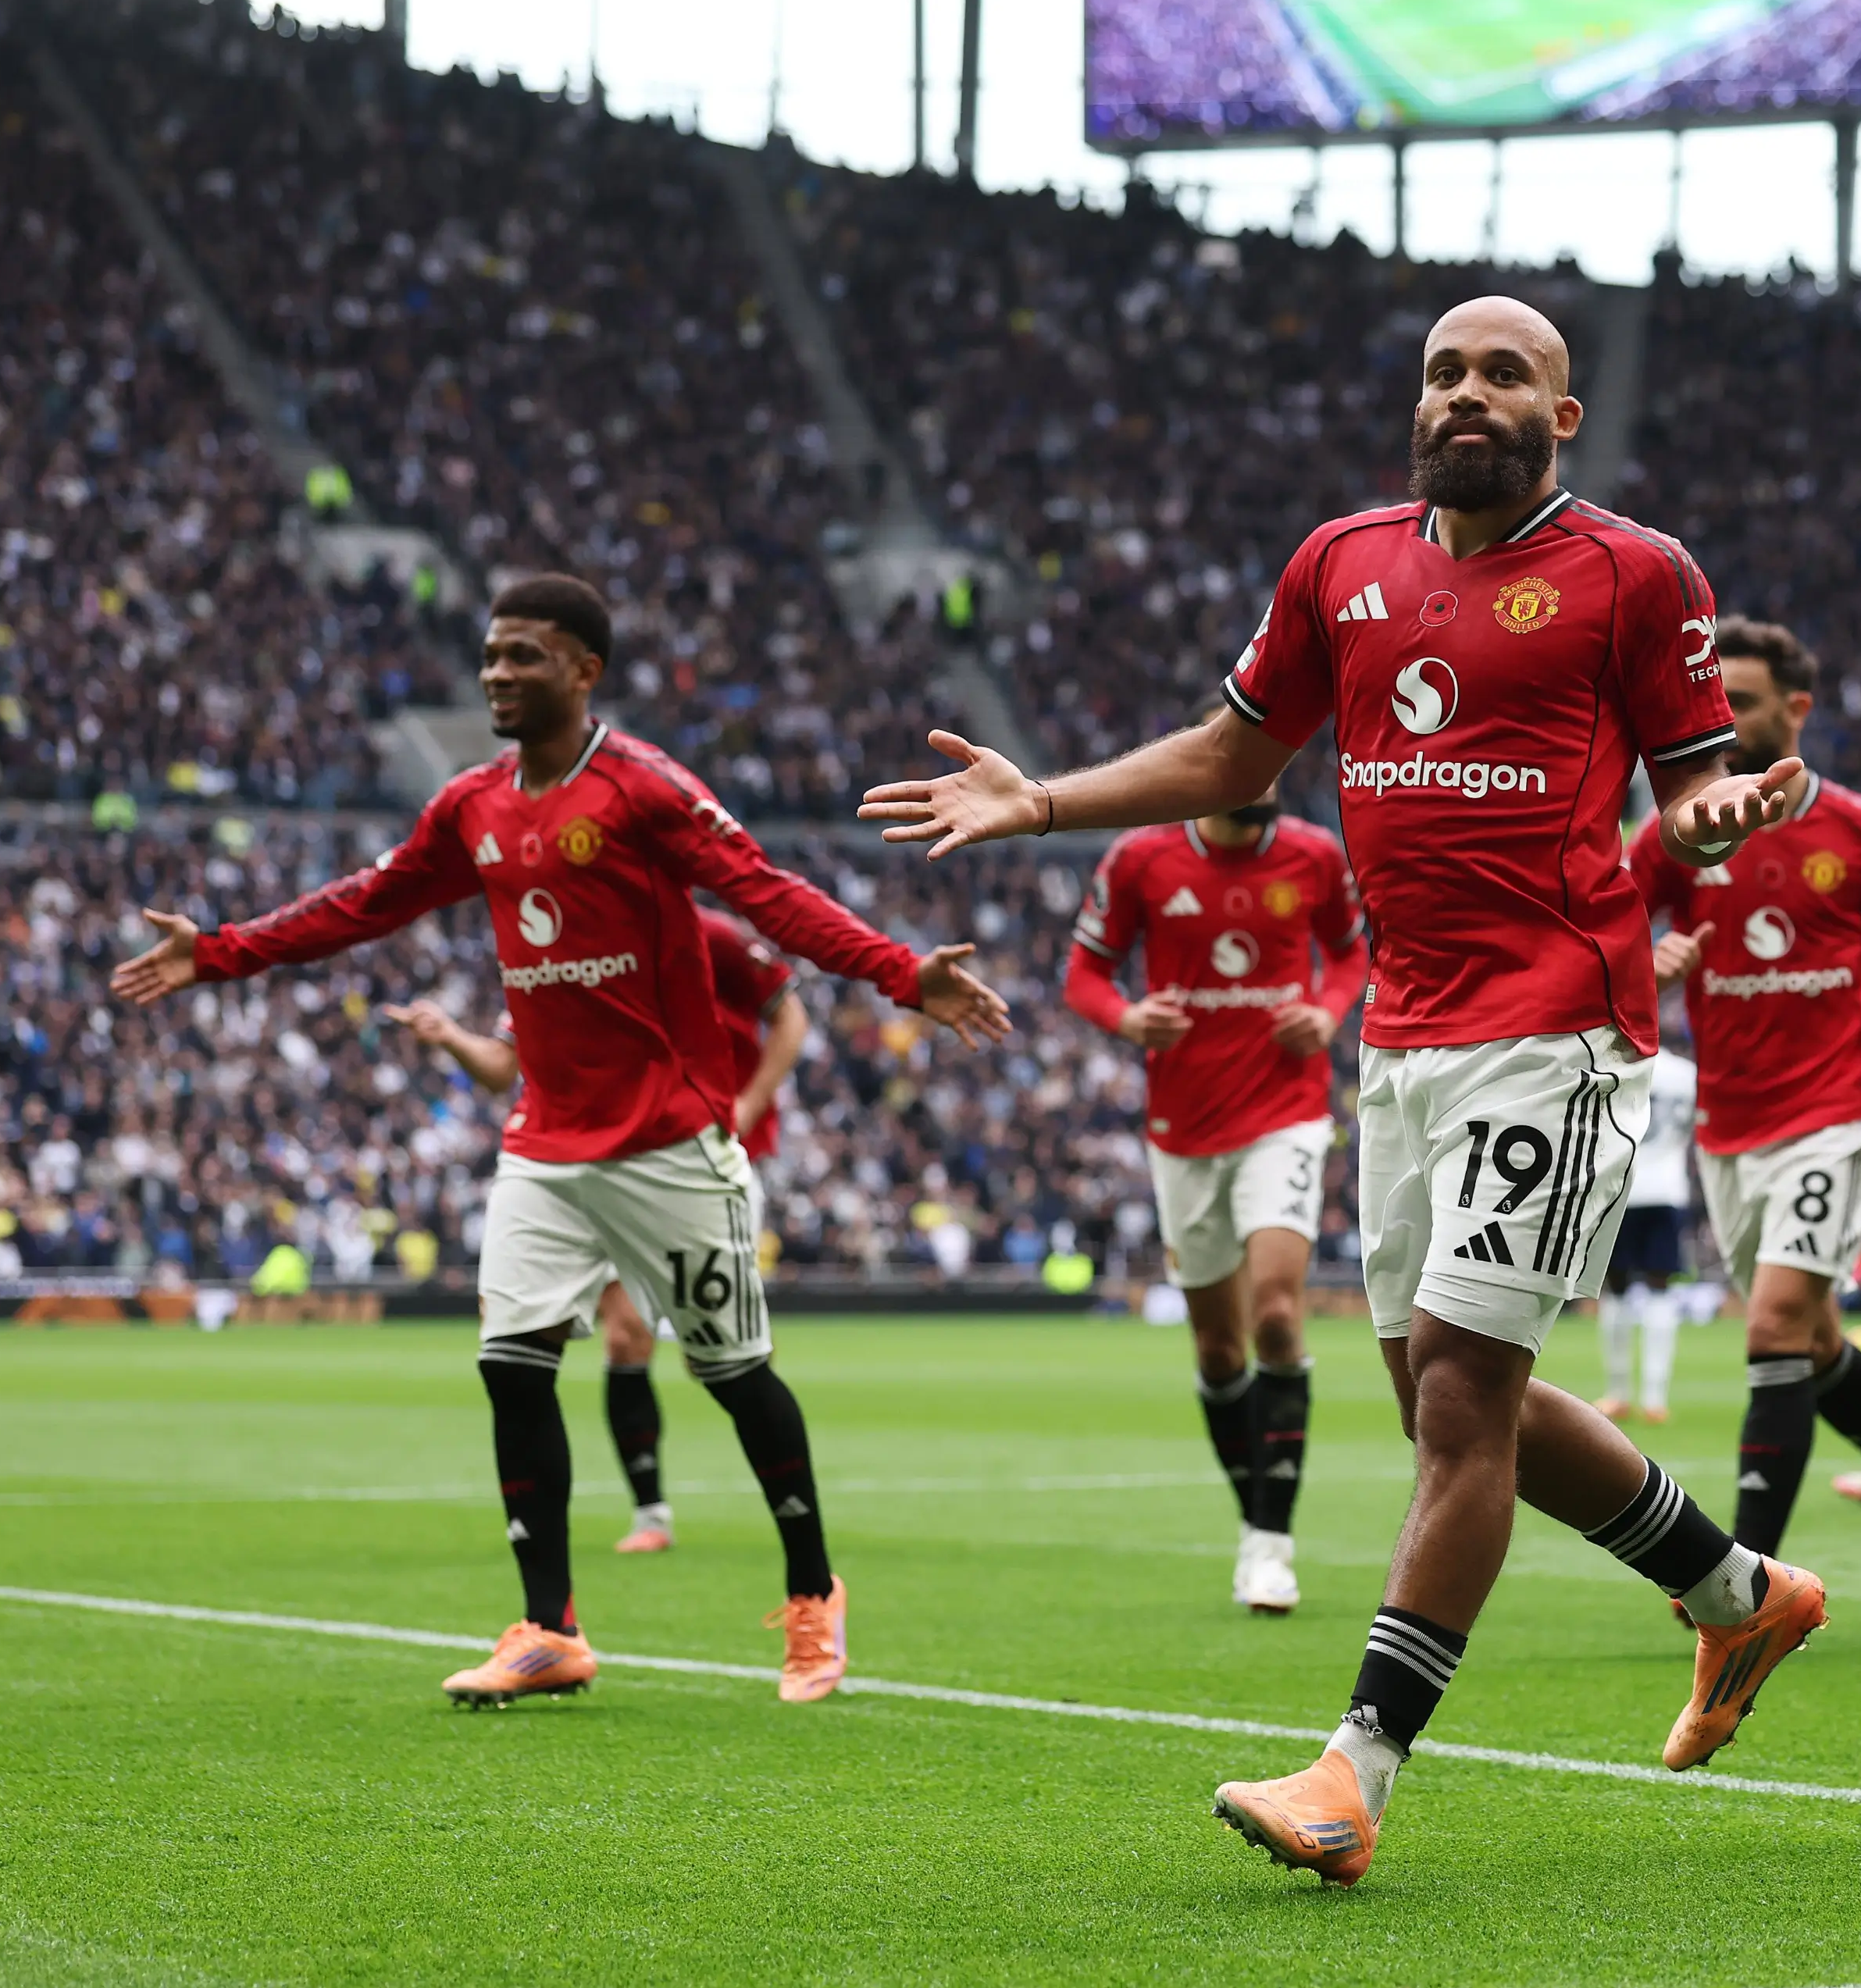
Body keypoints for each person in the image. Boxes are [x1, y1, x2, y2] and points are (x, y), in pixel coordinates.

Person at [861, 294, 1819, 1886]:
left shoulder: (1636, 573)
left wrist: (1713, 820)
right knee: (1447, 1395)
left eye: (1503, 374)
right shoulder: (1339, 562)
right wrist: (1040, 802)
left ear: (1561, 417)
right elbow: (1232, 756)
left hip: (1559, 1030)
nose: (1465, 393)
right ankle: (1737, 1593)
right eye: (1442, 371)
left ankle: (1353, 1773)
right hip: (1407, 1040)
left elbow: (1691, 784)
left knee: (1458, 1403)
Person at [112, 573, 1011, 1705]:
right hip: (545, 1139)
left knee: (734, 1374)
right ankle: (549, 1629)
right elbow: (364, 901)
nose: (498, 673)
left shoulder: (645, 787)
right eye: (492, 654)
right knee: (511, 1362)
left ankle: (811, 1592)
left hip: (670, 1136)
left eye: (525, 655)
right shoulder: (471, 805)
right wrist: (221, 950)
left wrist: (901, 973)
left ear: (585, 670)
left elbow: (768, 893)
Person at [1627, 620, 1861, 1585]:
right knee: (1810, 1340)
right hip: (1729, 1124)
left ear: (1796, 709)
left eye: (1741, 699)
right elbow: (1603, 932)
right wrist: (1644, 963)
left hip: (1835, 1112)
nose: (1721, 716)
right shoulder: (1676, 833)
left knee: (1772, 1325)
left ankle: (1742, 1582)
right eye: (1711, 698)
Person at [385, 903, 815, 1555]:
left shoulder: (711, 935)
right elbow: (503, 1066)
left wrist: (749, 1105)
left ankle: (801, 1546)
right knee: (624, 1335)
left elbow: (790, 1013)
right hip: (596, 1164)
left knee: (722, 1364)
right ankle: (652, 1515)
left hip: (695, 1163)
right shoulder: (560, 942)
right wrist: (448, 1035)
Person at [1064, 792, 1367, 1615]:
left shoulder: (1314, 854)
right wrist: (1128, 1016)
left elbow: (1351, 953)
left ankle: (1271, 1545)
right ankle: (1256, 1527)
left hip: (1286, 1114)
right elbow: (1084, 974)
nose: (1266, 783)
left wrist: (1327, 1010)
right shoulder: (1141, 859)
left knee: (1277, 1313)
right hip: (1184, 1129)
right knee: (1217, 1349)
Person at [1596, 1045, 1699, 1424]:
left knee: (1617, 1288)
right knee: (1661, 1289)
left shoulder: (1616, 1062)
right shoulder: (1685, 1073)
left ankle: (1618, 1392)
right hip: (1667, 1189)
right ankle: (1655, 1398)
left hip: (1620, 1186)